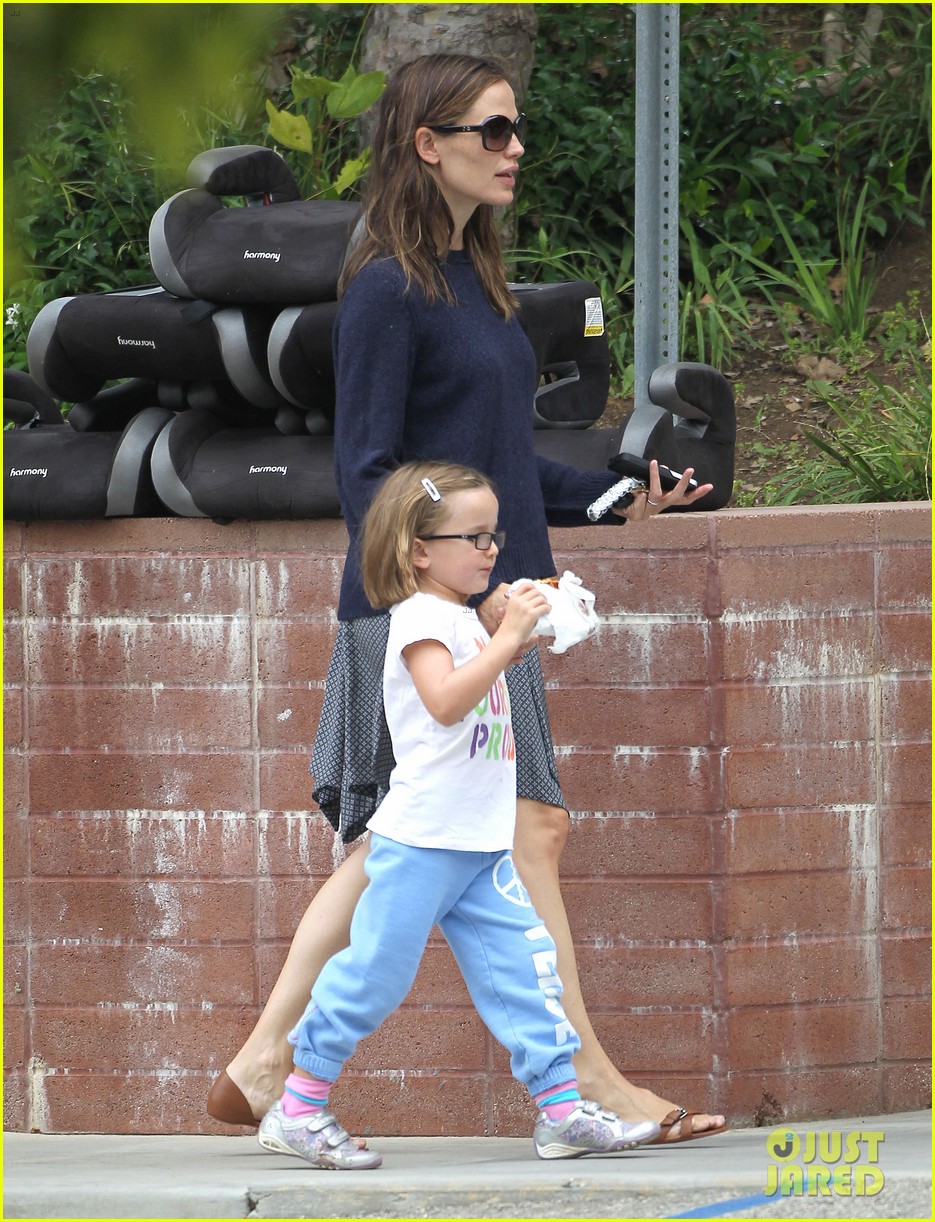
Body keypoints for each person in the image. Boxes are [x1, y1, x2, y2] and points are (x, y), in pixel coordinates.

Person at [207, 51, 727, 1146]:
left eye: (514, 129)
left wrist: (620, 498)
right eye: (490, 131)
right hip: (425, 610)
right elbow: (367, 471)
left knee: (390, 846)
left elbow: (505, 461)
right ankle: (590, 1087)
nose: (513, 149)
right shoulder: (388, 290)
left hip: (486, 598)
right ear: (424, 144)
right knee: (527, 826)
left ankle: (263, 1062)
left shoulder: (475, 289)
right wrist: (448, 606)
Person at [256, 461, 663, 1168]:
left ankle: (563, 1113)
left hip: (477, 847)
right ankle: (298, 1108)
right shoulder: (416, 619)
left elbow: (475, 675)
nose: (490, 548)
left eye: (493, 533)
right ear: (418, 550)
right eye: (472, 536)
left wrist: (512, 625)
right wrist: (506, 640)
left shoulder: (458, 617)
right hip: (420, 843)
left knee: (526, 973)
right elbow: (444, 702)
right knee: (373, 977)